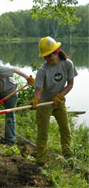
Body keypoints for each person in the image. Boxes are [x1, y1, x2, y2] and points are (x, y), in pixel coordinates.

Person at [30, 36, 78, 167]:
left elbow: (70, 84)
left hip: (59, 102)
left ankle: (68, 157)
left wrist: (60, 96)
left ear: (57, 52)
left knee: (65, 130)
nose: (47, 59)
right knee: (42, 134)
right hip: (44, 104)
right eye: (45, 57)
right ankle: (40, 162)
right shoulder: (42, 70)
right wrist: (36, 100)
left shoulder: (68, 64)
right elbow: (38, 91)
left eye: (49, 56)